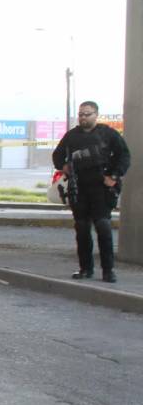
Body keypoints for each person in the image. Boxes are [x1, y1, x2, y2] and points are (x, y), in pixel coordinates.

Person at [52, 101, 131, 283]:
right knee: (81, 228)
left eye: (87, 114)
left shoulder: (108, 134)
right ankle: (85, 268)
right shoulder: (72, 136)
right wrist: (64, 166)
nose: (83, 117)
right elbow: (57, 156)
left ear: (96, 114)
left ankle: (108, 270)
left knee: (103, 227)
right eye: (81, 114)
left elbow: (124, 156)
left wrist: (114, 175)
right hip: (80, 188)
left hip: (101, 188)